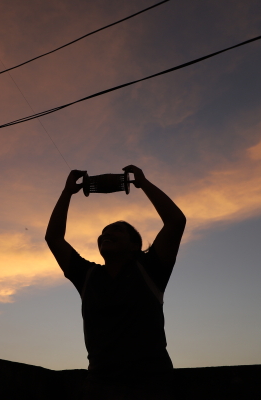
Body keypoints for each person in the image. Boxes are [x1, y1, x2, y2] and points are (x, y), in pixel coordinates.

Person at [45, 165, 186, 400]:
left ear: (134, 245)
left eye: (116, 231)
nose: (105, 234)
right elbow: (53, 237)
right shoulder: (88, 275)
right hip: (98, 386)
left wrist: (143, 183)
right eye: (103, 232)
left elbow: (175, 221)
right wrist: (67, 192)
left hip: (150, 387)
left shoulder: (150, 269)